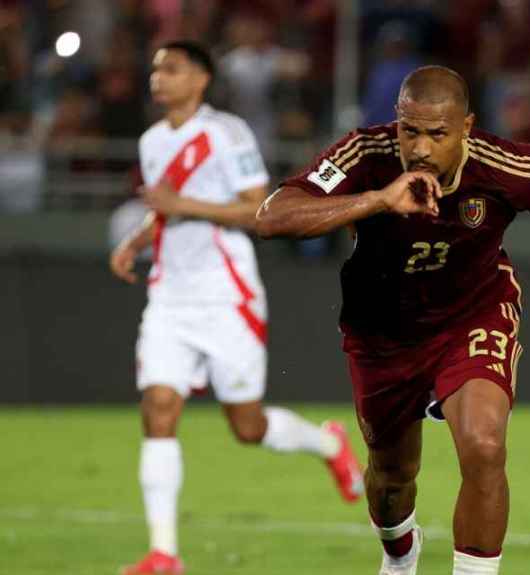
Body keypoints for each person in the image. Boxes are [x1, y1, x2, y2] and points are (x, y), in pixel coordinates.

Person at [255, 65, 530, 575]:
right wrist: (378, 199)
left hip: (473, 315)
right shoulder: (365, 153)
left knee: (484, 445)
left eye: (437, 134)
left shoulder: (511, 166)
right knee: (391, 476)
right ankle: (400, 556)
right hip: (382, 331)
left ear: (466, 127)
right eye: (410, 131)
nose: (420, 148)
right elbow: (272, 216)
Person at [109, 40, 363, 575]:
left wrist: (182, 205)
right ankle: (164, 553)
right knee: (158, 408)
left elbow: (259, 211)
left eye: (172, 69)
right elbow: (165, 211)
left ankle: (327, 444)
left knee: (247, 427)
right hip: (170, 296)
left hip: (227, 295)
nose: (159, 78)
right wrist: (136, 240)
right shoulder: (152, 140)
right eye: (155, 70)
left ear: (201, 79)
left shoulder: (227, 133)